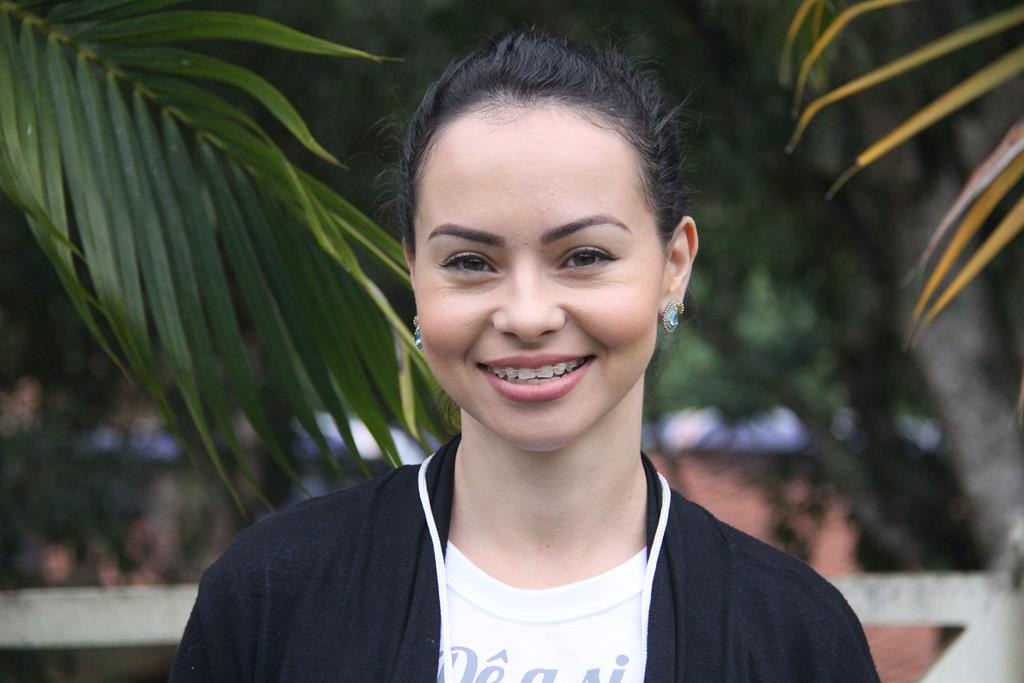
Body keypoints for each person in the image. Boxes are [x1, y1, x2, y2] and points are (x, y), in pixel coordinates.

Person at [170, 30, 880, 682]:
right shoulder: (271, 596)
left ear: (674, 266)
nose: (528, 316)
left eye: (585, 256)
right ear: (415, 273)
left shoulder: (795, 637)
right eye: (470, 262)